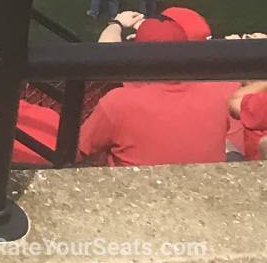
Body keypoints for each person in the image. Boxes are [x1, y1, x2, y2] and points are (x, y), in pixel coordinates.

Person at [79, 17, 239, 165]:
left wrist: (116, 23)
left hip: (138, 192)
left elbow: (77, 151)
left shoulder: (118, 102)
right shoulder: (222, 91)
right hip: (205, 190)